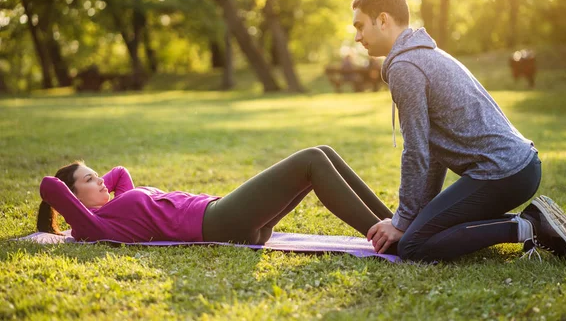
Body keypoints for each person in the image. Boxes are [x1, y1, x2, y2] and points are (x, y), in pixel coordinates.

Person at [350, 0, 566, 261]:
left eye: (360, 26)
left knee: (412, 246)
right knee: (420, 233)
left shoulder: (406, 67)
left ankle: (530, 226)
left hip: (502, 173)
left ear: (383, 20)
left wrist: (402, 222)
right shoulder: (425, 54)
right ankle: (536, 220)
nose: (357, 37)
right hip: (519, 168)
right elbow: (433, 152)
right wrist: (415, 216)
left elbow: (416, 152)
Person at [37, 146, 395, 246]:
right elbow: (49, 188)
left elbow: (120, 174)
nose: (102, 181)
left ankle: (396, 222)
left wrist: (94, 182)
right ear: (73, 198)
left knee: (324, 152)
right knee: (312, 161)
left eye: (97, 176)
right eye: (90, 180)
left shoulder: (116, 204)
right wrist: (72, 201)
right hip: (219, 221)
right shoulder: (96, 225)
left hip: (228, 217)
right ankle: (388, 239)